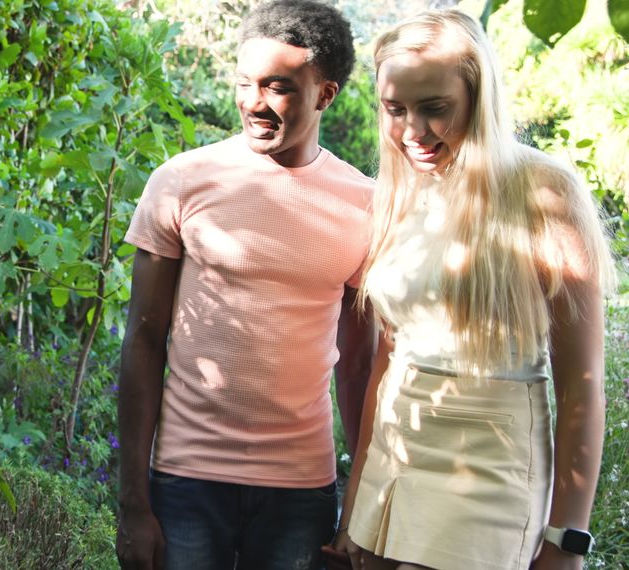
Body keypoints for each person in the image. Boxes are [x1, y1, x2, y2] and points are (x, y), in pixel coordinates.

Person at [328, 10, 614, 570]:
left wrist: (566, 541)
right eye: (395, 110)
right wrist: (354, 505)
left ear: (479, 96)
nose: (413, 131)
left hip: (489, 469)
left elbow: (582, 387)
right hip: (393, 454)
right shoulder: (399, 193)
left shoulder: (544, 191)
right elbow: (389, 359)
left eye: (435, 108)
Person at [115, 1, 376, 568]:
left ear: (325, 94)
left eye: (278, 87)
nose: (253, 103)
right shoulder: (182, 181)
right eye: (244, 83)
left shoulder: (365, 205)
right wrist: (133, 503)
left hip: (301, 489)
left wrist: (359, 503)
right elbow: (142, 339)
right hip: (186, 480)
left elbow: (359, 366)